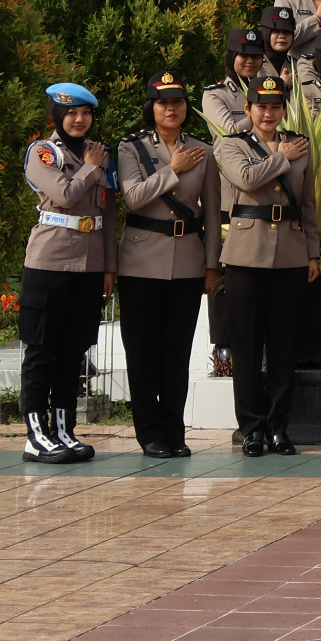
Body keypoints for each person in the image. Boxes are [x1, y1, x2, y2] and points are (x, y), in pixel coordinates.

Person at [212, 73, 319, 457]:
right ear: (248, 108)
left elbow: (308, 204)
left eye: (275, 107)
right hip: (246, 253)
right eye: (262, 107)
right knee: (247, 346)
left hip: (290, 253)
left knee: (283, 347)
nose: (269, 114)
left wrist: (312, 252)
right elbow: (246, 178)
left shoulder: (299, 144)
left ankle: (278, 427)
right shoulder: (231, 144)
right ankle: (252, 428)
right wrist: (281, 157)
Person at [114, 71, 220, 459]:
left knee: (177, 352)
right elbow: (134, 197)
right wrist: (172, 169)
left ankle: (175, 430)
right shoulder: (131, 148)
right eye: (163, 103)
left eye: (177, 102)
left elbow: (212, 212)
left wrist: (212, 264)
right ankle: (150, 434)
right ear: (151, 108)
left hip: (188, 260)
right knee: (142, 352)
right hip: (140, 262)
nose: (171, 109)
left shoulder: (203, 150)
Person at [18, 81, 112, 465]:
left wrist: (109, 268)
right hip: (49, 262)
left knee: (74, 351)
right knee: (41, 351)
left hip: (89, 264)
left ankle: (64, 430)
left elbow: (108, 215)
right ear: (57, 115)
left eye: (86, 113)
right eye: (71, 113)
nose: (79, 119)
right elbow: (66, 195)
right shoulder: (44, 152)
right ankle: (35, 436)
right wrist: (91, 167)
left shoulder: (100, 154)